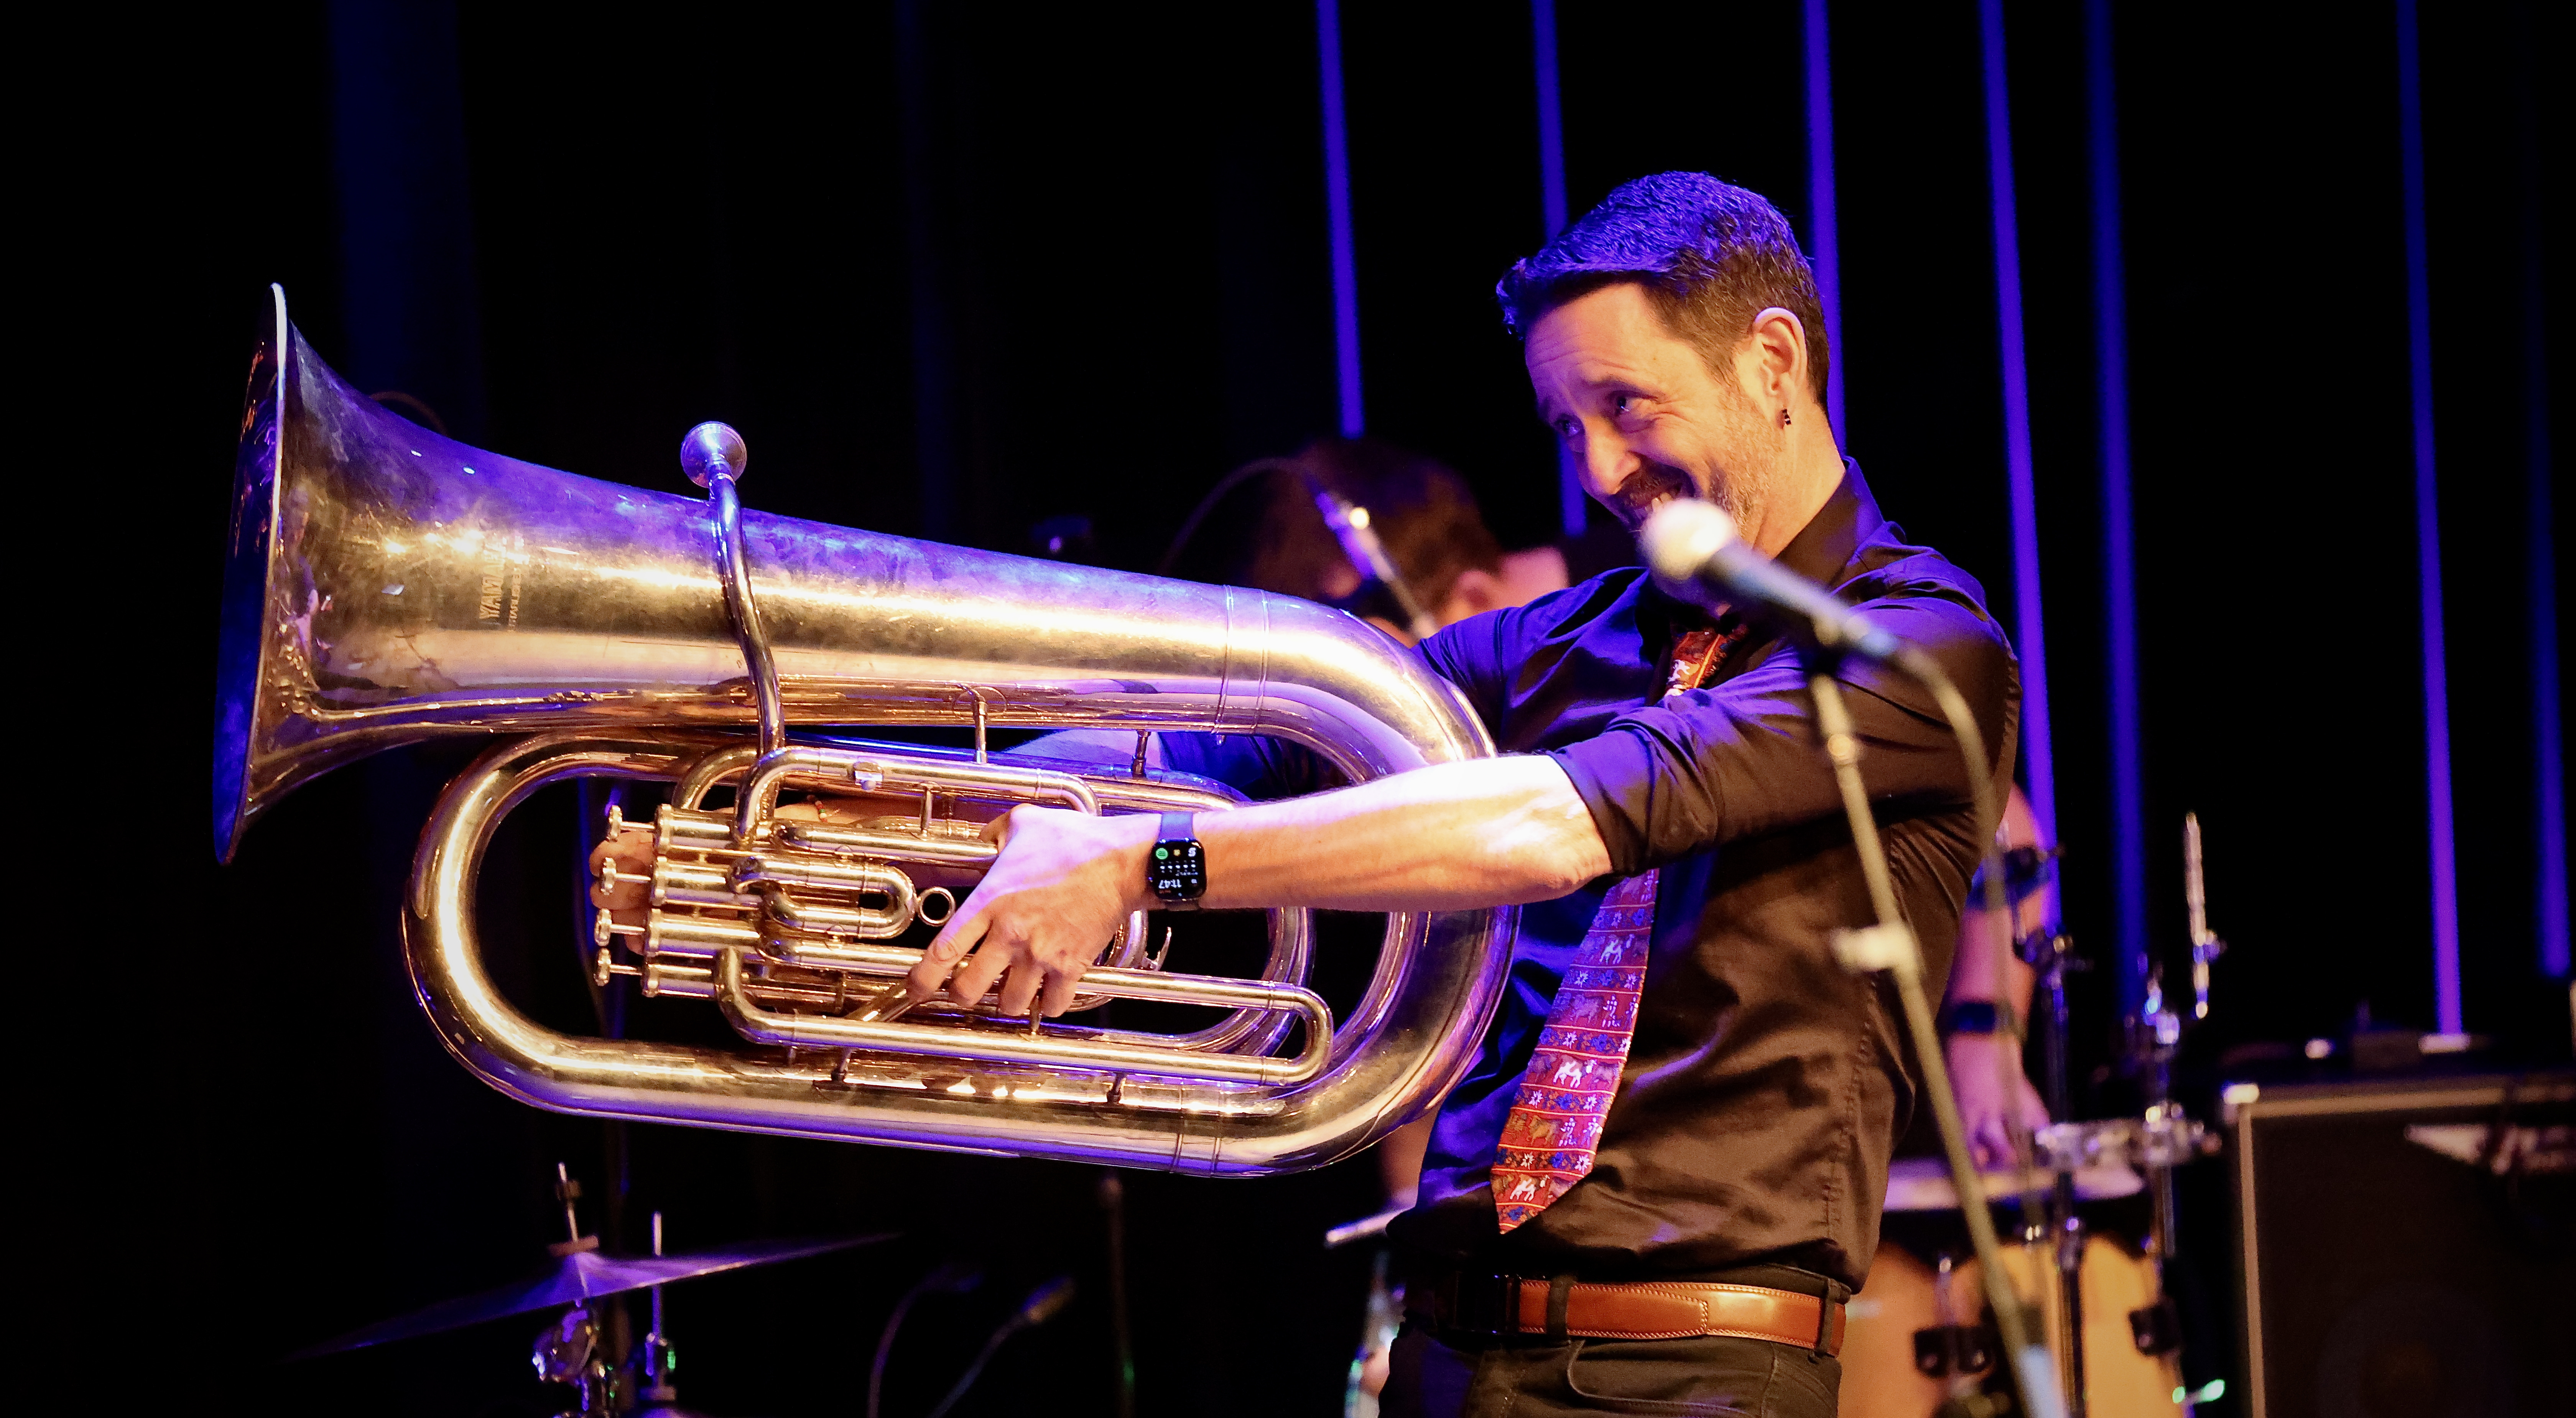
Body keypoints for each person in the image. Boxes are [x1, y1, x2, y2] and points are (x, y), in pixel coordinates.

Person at [900, 172, 2020, 1418]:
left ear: (1773, 361)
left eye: (1624, 405)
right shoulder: (1565, 642)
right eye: (1562, 426)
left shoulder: (1911, 644)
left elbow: (1547, 825)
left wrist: (1138, 869)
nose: (1597, 469)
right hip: (1453, 1353)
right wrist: (944, 807)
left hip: (1698, 1376)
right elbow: (1247, 745)